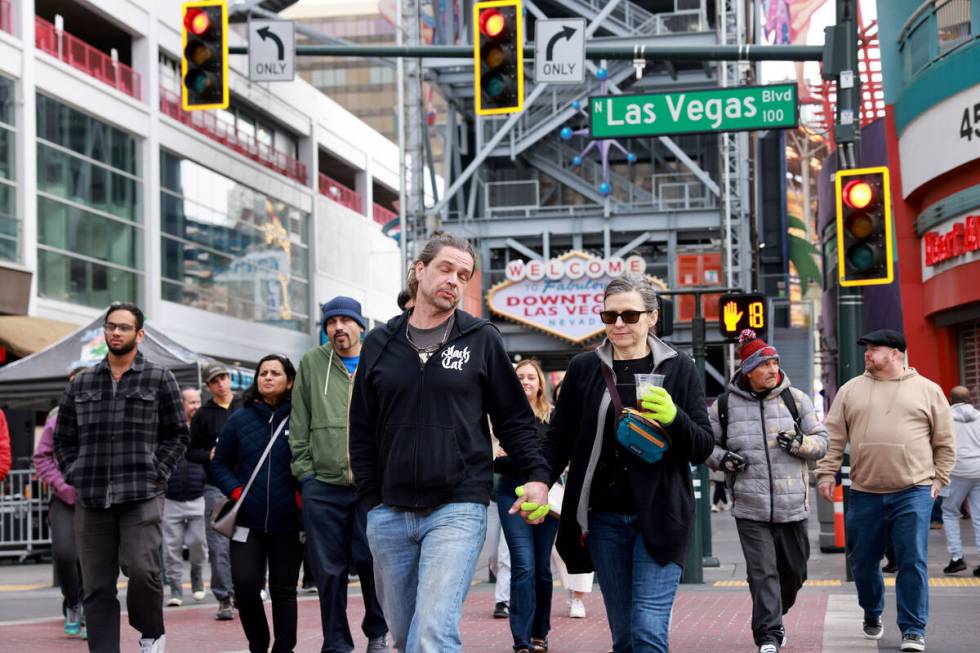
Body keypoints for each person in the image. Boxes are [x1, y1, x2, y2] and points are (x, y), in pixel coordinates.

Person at [349, 233, 551, 653]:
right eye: (445, 269)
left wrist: (536, 475)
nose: (454, 281)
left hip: (458, 506)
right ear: (419, 271)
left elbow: (514, 418)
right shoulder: (378, 344)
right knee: (404, 638)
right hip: (389, 511)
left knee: (432, 633)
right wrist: (371, 500)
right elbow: (362, 429)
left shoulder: (481, 338)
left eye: (463, 275)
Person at [544, 274, 715, 653]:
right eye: (610, 315)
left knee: (648, 631)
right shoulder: (584, 368)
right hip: (605, 519)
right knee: (624, 636)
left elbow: (703, 447)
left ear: (652, 317)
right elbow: (559, 439)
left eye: (630, 315)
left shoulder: (678, 368)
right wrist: (540, 482)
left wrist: (674, 417)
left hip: (662, 515)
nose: (619, 323)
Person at [53, 302, 189, 653]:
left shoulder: (160, 378)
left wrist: (158, 472)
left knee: (142, 571)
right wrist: (75, 473)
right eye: (111, 326)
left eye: (124, 327)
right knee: (96, 586)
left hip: (142, 493)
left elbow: (177, 434)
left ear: (139, 334)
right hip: (93, 497)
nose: (116, 332)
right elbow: (63, 439)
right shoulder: (81, 383)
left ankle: (150, 632)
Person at [816, 329, 956, 653]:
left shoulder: (928, 391)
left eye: (874, 349)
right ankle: (872, 610)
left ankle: (913, 629)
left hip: (914, 490)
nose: (867, 354)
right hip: (865, 491)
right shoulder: (851, 391)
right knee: (862, 562)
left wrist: (938, 481)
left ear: (896, 353)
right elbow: (834, 437)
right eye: (866, 348)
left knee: (912, 560)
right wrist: (825, 474)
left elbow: (946, 443)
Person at [707, 330, 828, 653]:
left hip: (793, 507)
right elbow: (705, 447)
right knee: (762, 573)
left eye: (775, 363)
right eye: (765, 365)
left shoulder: (796, 399)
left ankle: (775, 613)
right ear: (748, 371)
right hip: (750, 508)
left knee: (795, 572)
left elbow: (823, 442)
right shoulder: (723, 407)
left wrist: (801, 444)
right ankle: (768, 634)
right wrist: (724, 459)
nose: (774, 369)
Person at [289, 296, 388, 653]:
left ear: (360, 325)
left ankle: (377, 632)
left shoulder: (379, 358)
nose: (338, 328)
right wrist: (306, 473)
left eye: (346, 321)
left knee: (370, 561)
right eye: (331, 323)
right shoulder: (312, 363)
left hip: (369, 485)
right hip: (323, 485)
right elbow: (299, 421)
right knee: (328, 572)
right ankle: (336, 641)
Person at [211, 354, 303, 653]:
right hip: (247, 522)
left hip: (288, 522)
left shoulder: (301, 417)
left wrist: (302, 495)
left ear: (289, 381)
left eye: (275, 373)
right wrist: (236, 491)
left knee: (284, 590)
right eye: (263, 372)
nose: (267, 377)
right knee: (246, 586)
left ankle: (284, 648)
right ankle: (258, 644)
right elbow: (219, 464)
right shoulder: (240, 417)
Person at [495, 359, 560, 653]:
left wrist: (513, 457)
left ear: (540, 383)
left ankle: (539, 632)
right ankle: (521, 640)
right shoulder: (501, 417)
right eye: (519, 376)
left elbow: (554, 460)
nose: (525, 381)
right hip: (511, 494)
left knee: (542, 570)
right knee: (523, 565)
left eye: (530, 377)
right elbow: (494, 460)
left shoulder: (553, 417)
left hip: (547, 498)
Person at [33, 365, 87, 638]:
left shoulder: (105, 414)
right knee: (65, 554)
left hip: (97, 499)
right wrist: (62, 487)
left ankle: (89, 608)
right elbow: (41, 457)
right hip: (64, 498)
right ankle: (73, 603)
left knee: (91, 560)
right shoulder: (57, 417)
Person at [187, 362, 242, 620]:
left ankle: (246, 591)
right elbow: (191, 451)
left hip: (245, 485)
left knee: (245, 541)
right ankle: (224, 598)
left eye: (223, 378)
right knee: (219, 543)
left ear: (229, 379)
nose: (220, 383)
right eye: (214, 381)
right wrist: (207, 454)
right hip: (215, 486)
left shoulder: (245, 406)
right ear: (208, 387)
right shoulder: (203, 415)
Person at [546, 378, 594, 620]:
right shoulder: (553, 418)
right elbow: (553, 448)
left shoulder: (595, 415)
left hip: (585, 492)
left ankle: (578, 597)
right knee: (558, 548)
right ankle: (570, 592)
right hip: (555, 490)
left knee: (582, 542)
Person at [162, 387, 208, 607]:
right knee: (172, 548)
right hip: (171, 499)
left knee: (198, 542)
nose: (196, 407)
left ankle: (197, 576)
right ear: (181, 405)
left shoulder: (204, 429)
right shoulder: (170, 429)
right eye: (191, 402)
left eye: (198, 402)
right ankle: (175, 588)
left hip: (197, 495)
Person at [941, 386, 980, 576]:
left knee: (950, 512)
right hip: (979, 470)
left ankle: (957, 558)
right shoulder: (979, 416)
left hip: (956, 471)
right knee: (979, 516)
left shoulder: (945, 418)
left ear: (950, 399)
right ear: (970, 399)